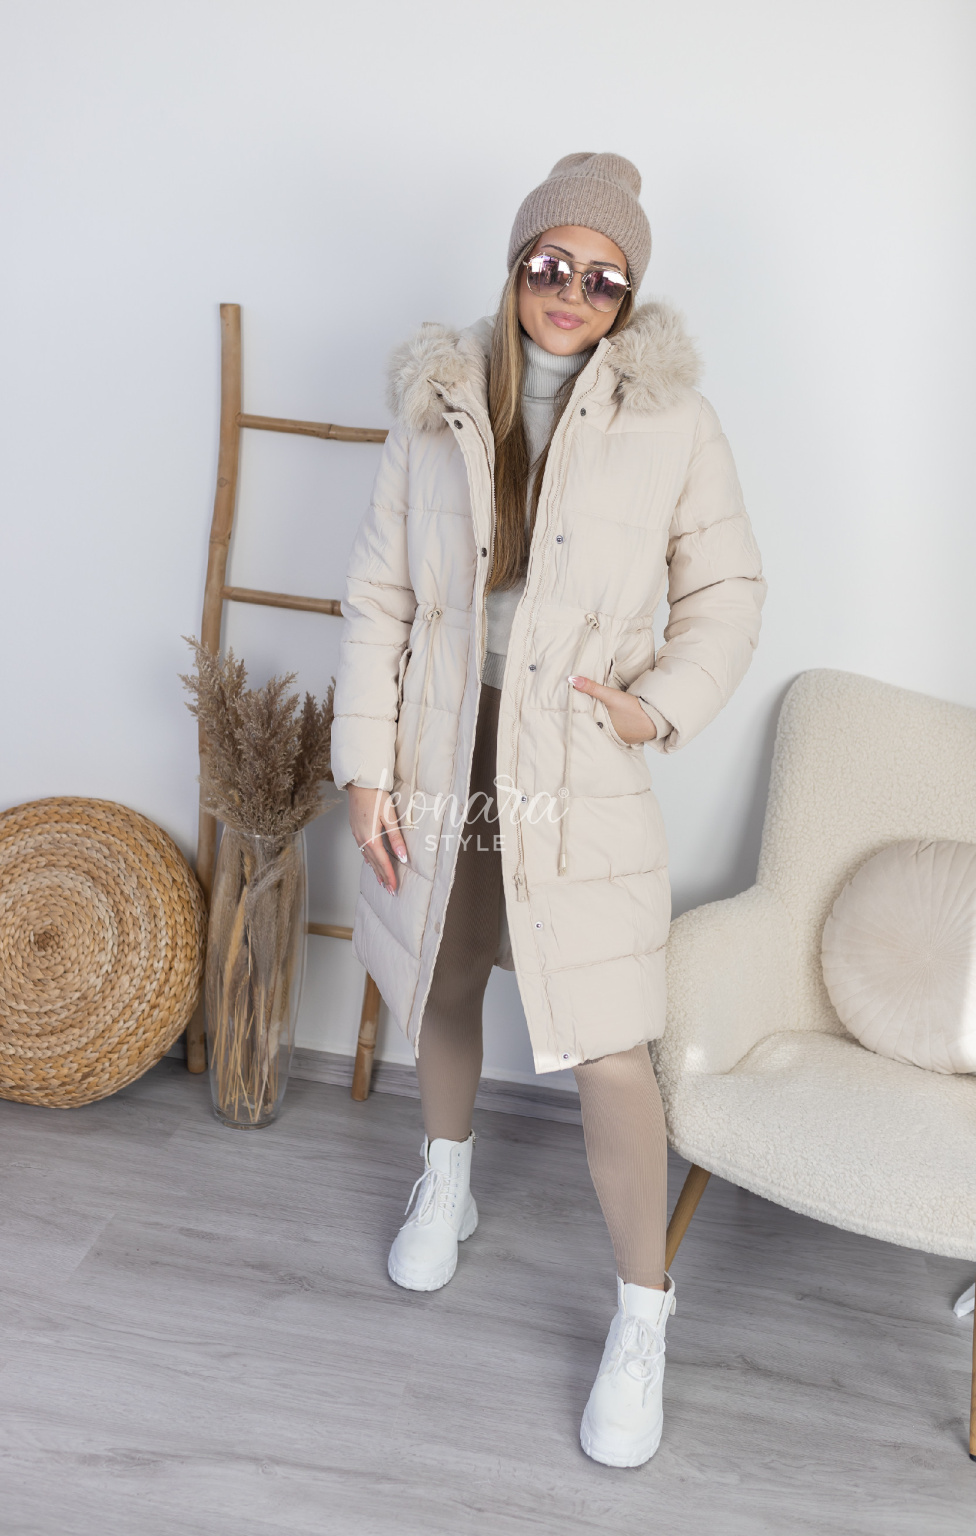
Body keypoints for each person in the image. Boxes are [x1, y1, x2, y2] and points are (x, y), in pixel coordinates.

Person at [330, 151, 765, 1467]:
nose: (571, 292)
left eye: (602, 277)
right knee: (445, 975)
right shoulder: (439, 398)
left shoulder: (672, 419)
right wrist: (364, 766)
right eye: (550, 264)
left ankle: (644, 1312)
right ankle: (449, 1178)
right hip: (442, 743)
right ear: (516, 266)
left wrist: (656, 707)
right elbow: (381, 595)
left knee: (609, 1043)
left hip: (575, 755)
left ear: (630, 296)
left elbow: (728, 590)